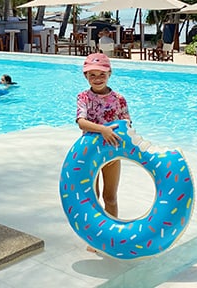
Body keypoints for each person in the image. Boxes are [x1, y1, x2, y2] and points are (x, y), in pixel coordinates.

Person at [75, 52, 130, 249]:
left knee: (110, 196)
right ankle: (94, 237)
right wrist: (103, 130)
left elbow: (126, 121)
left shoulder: (119, 99)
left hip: (112, 153)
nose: (97, 79)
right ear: (86, 76)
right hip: (89, 154)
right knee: (93, 196)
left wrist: (118, 130)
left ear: (110, 74)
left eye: (101, 74)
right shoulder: (83, 97)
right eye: (92, 75)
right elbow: (81, 122)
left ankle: (111, 236)